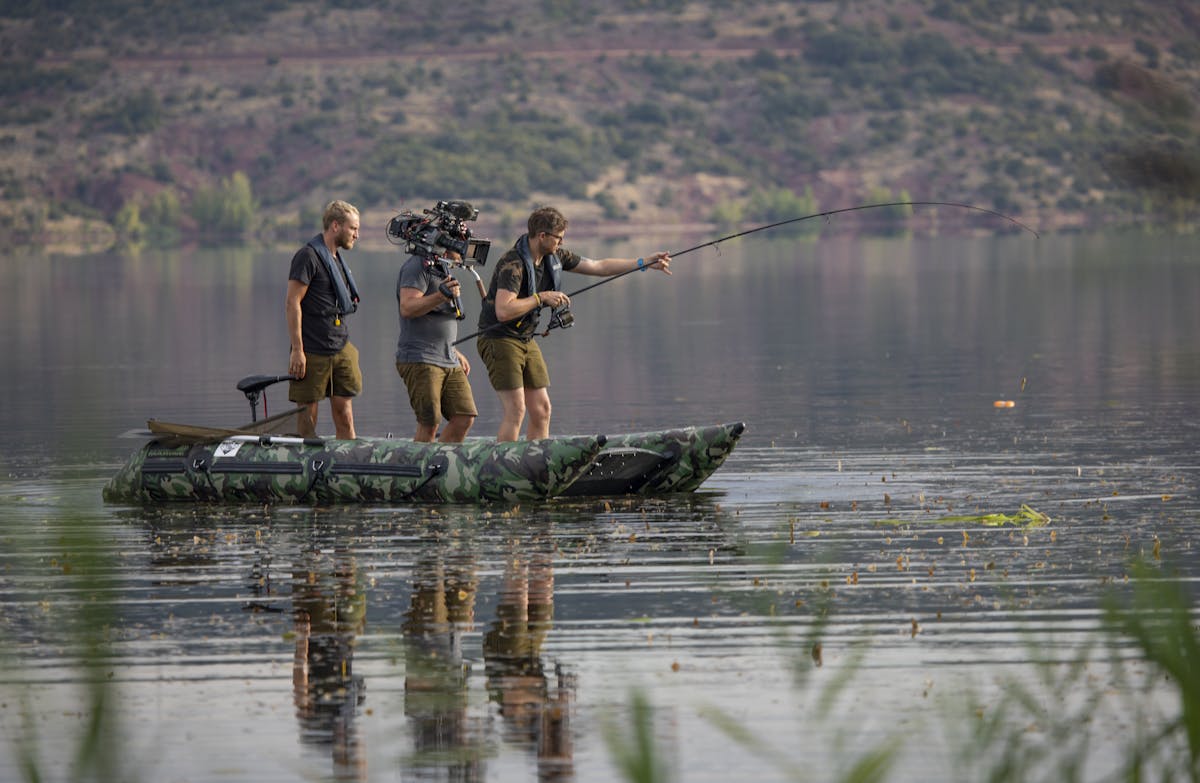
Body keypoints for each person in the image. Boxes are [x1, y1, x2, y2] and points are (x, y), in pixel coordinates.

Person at [476, 206, 671, 441]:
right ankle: (504, 466)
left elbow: (599, 267)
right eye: (558, 238)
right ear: (542, 236)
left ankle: (536, 461)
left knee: (542, 410)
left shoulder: (557, 257)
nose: (561, 242)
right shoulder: (513, 264)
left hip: (525, 339)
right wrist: (541, 297)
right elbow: (504, 311)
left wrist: (643, 262)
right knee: (517, 410)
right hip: (499, 339)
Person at [286, 200, 362, 440]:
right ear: (336, 226)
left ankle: (348, 467)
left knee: (345, 414)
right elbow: (292, 303)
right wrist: (298, 350)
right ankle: (304, 468)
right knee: (307, 417)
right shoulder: (307, 256)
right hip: (313, 349)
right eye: (353, 229)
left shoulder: (336, 258)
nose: (357, 235)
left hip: (340, 345)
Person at [395, 248, 478, 442]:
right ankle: (420, 468)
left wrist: (453, 349)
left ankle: (441, 464)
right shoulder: (417, 266)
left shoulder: (441, 268)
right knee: (430, 421)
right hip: (420, 357)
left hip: (448, 356)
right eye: (463, 245)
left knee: (464, 417)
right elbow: (407, 307)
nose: (467, 250)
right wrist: (441, 296)